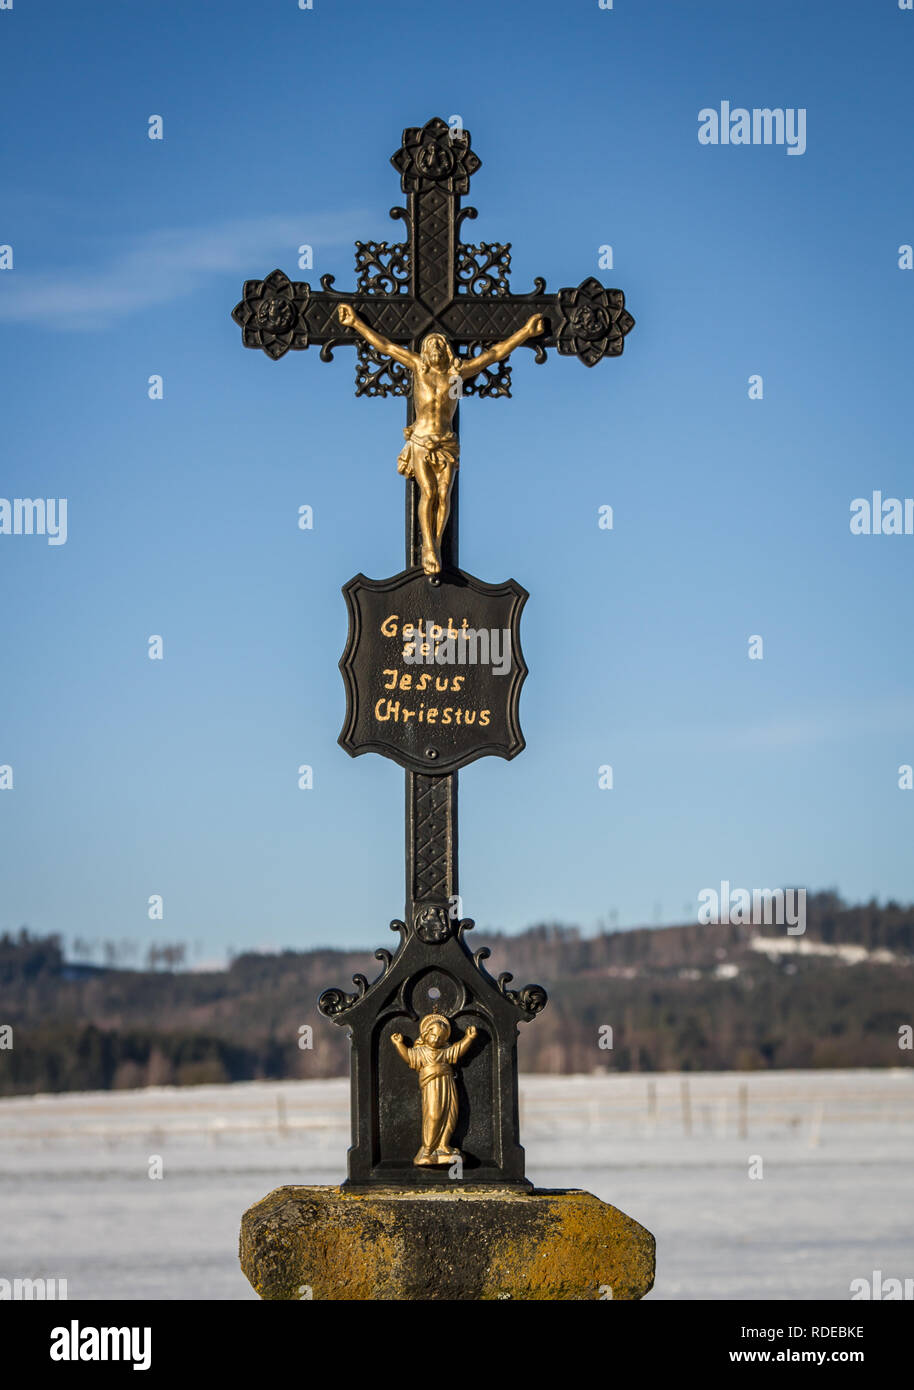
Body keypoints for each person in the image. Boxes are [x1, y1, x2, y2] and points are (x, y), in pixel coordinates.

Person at [337, 303, 544, 574]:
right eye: (430, 346)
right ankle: (429, 549)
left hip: (446, 442)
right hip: (422, 439)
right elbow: (386, 346)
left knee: (444, 495)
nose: (434, 350)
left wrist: (526, 332)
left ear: (445, 351)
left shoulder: (457, 374)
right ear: (424, 351)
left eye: (439, 346)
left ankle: (435, 542)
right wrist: (355, 324)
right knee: (430, 492)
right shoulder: (417, 368)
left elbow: (494, 354)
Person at [390, 1013, 477, 1165]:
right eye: (434, 1035)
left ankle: (443, 1145)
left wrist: (469, 1039)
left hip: (447, 1085)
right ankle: (428, 1150)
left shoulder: (444, 1052)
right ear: (426, 1033)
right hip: (432, 1087)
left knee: (450, 1115)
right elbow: (409, 1056)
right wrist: (399, 1044)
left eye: (440, 1038)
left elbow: (457, 1050)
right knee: (434, 1115)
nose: (436, 1040)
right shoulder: (421, 1052)